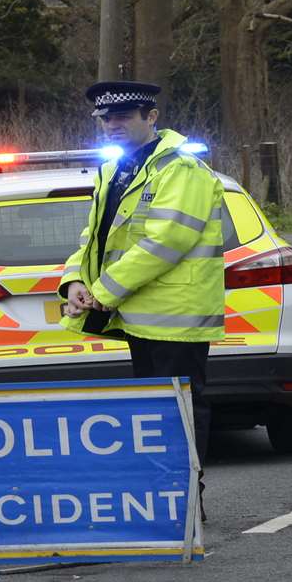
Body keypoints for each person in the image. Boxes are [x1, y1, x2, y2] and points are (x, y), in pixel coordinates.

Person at [59, 79, 225, 468]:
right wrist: (75, 281)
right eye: (105, 118)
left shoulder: (181, 168)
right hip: (139, 315)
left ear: (151, 117)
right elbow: (95, 238)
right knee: (156, 412)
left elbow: (167, 240)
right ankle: (163, 498)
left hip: (176, 315)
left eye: (122, 117)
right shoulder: (115, 169)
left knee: (181, 411)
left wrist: (103, 291)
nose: (112, 125)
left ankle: (185, 500)